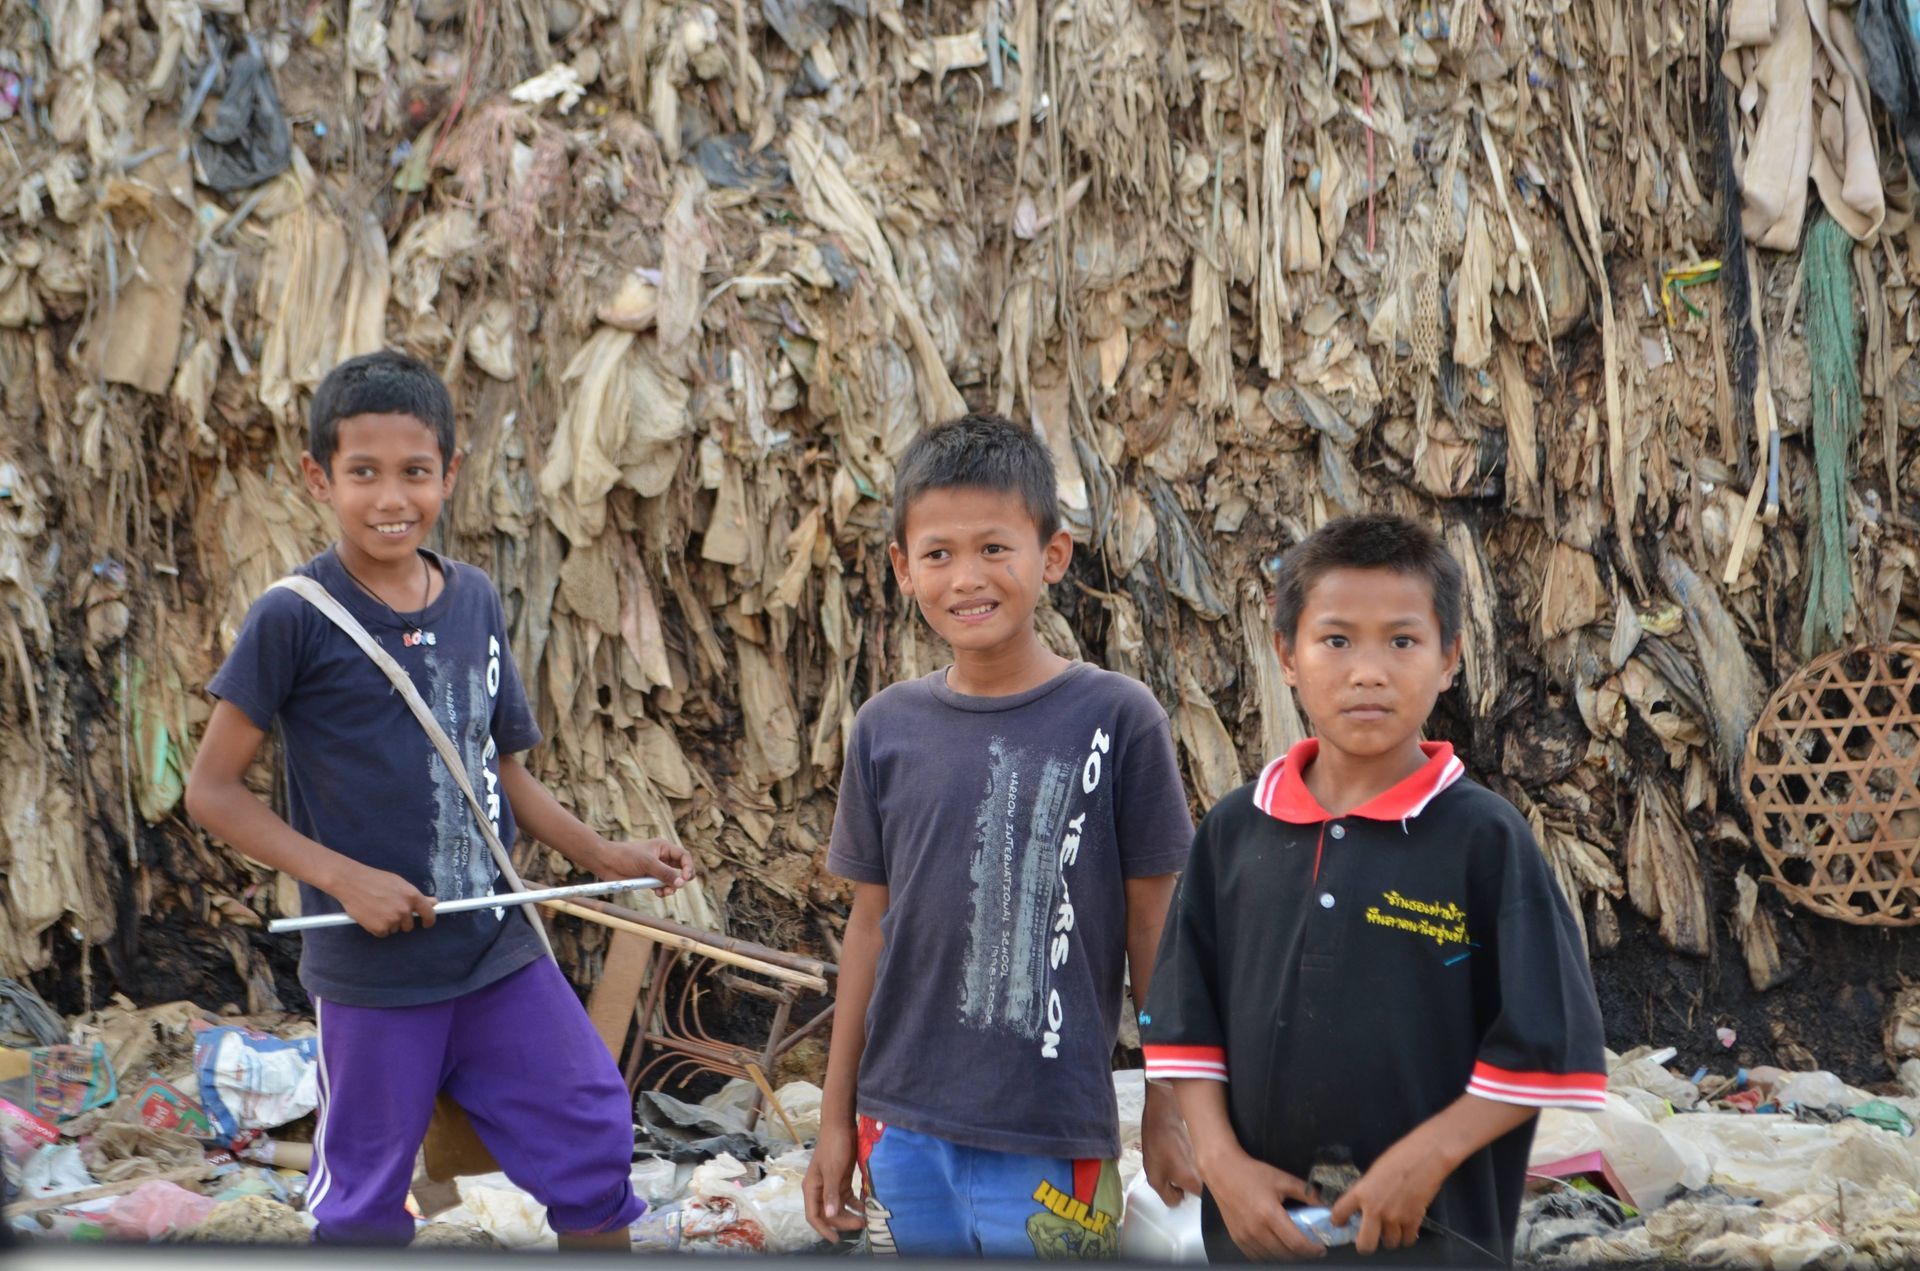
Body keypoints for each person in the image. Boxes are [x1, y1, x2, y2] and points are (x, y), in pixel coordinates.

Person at [184, 349, 693, 1247]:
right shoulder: (293, 617)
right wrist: (346, 879)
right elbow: (213, 792)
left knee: (594, 1138)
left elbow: (503, 775)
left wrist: (607, 858)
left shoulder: (475, 601)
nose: (392, 498)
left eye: (415, 473)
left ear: (449, 475)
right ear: (318, 478)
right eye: (364, 473)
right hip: (372, 979)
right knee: (364, 1202)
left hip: (496, 948)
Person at [1141, 514, 1606, 1264]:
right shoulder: (1235, 832)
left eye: (1402, 640)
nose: (1369, 670)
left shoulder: (1482, 839)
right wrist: (1222, 1166)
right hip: (1261, 1231)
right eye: (1336, 639)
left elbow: (1546, 1044)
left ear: (1450, 657)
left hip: (1433, 1230)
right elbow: (1186, 1028)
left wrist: (1424, 1161)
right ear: (1286, 655)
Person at [802, 413, 1201, 1257]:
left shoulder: (1116, 719)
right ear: (904, 570)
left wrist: (1170, 1106)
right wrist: (836, 1117)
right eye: (938, 554)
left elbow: (1154, 933)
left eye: (995, 547)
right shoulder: (886, 728)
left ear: (1051, 556)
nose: (966, 577)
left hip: (1053, 1129)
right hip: (900, 1127)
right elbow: (868, 928)